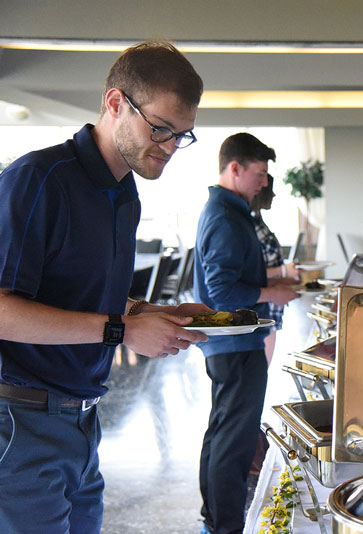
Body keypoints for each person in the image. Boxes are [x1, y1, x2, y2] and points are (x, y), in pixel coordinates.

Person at [0, 40, 209, 533]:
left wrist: (149, 313)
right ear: (115, 104)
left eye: (183, 135)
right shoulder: (38, 178)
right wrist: (120, 330)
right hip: (20, 420)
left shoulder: (124, 193)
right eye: (160, 128)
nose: (171, 147)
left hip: (81, 420)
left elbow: (87, 295)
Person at [194, 132, 299, 534]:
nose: (265, 182)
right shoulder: (224, 215)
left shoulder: (230, 211)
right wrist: (273, 292)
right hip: (235, 341)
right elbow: (221, 291)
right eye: (259, 173)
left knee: (223, 432)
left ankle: (214, 521)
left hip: (229, 343)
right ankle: (224, 526)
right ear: (235, 168)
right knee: (233, 442)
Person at [250, 174, 300, 365]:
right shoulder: (250, 225)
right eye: (270, 189)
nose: (274, 194)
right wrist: (284, 271)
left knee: (263, 370)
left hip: (271, 306)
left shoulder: (257, 222)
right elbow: (252, 273)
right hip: (264, 308)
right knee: (261, 369)